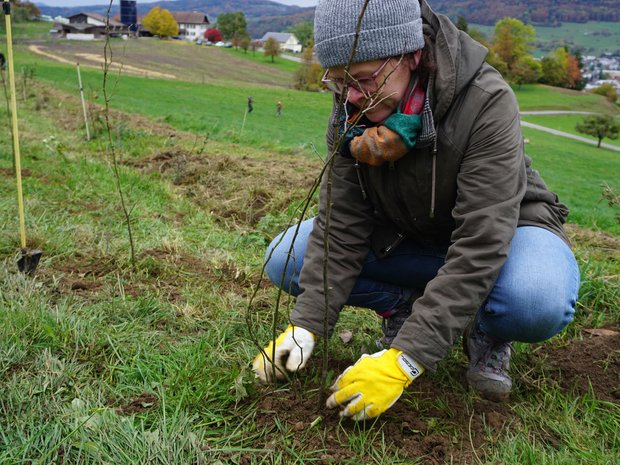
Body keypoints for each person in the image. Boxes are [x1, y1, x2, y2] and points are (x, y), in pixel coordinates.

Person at [252, 0, 579, 421]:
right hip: (408, 236)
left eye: (364, 79)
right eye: (337, 82)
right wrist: (306, 327)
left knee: (535, 300)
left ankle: (487, 330)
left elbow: (481, 243)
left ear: (412, 55)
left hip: (506, 234)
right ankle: (405, 306)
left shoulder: (485, 102)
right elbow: (341, 226)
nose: (350, 96)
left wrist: (404, 360)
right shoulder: (353, 106)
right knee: (287, 257)